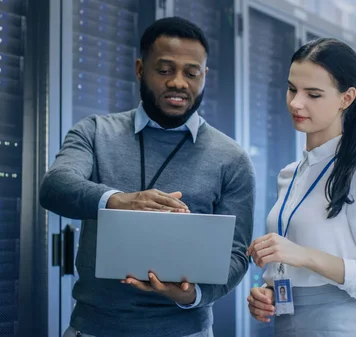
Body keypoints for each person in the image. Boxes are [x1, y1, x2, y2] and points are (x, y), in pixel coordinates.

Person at [39, 16, 255, 337]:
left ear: (204, 76)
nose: (179, 82)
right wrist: (118, 200)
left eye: (191, 73)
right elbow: (54, 188)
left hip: (186, 331)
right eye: (165, 70)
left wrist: (191, 294)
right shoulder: (95, 132)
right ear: (140, 70)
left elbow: (237, 255)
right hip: (95, 328)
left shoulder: (231, 158)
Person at [246, 38, 356, 336]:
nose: (296, 103)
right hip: (289, 325)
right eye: (292, 89)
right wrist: (268, 293)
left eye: (314, 94)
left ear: (346, 98)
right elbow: (292, 265)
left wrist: (305, 255)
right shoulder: (290, 174)